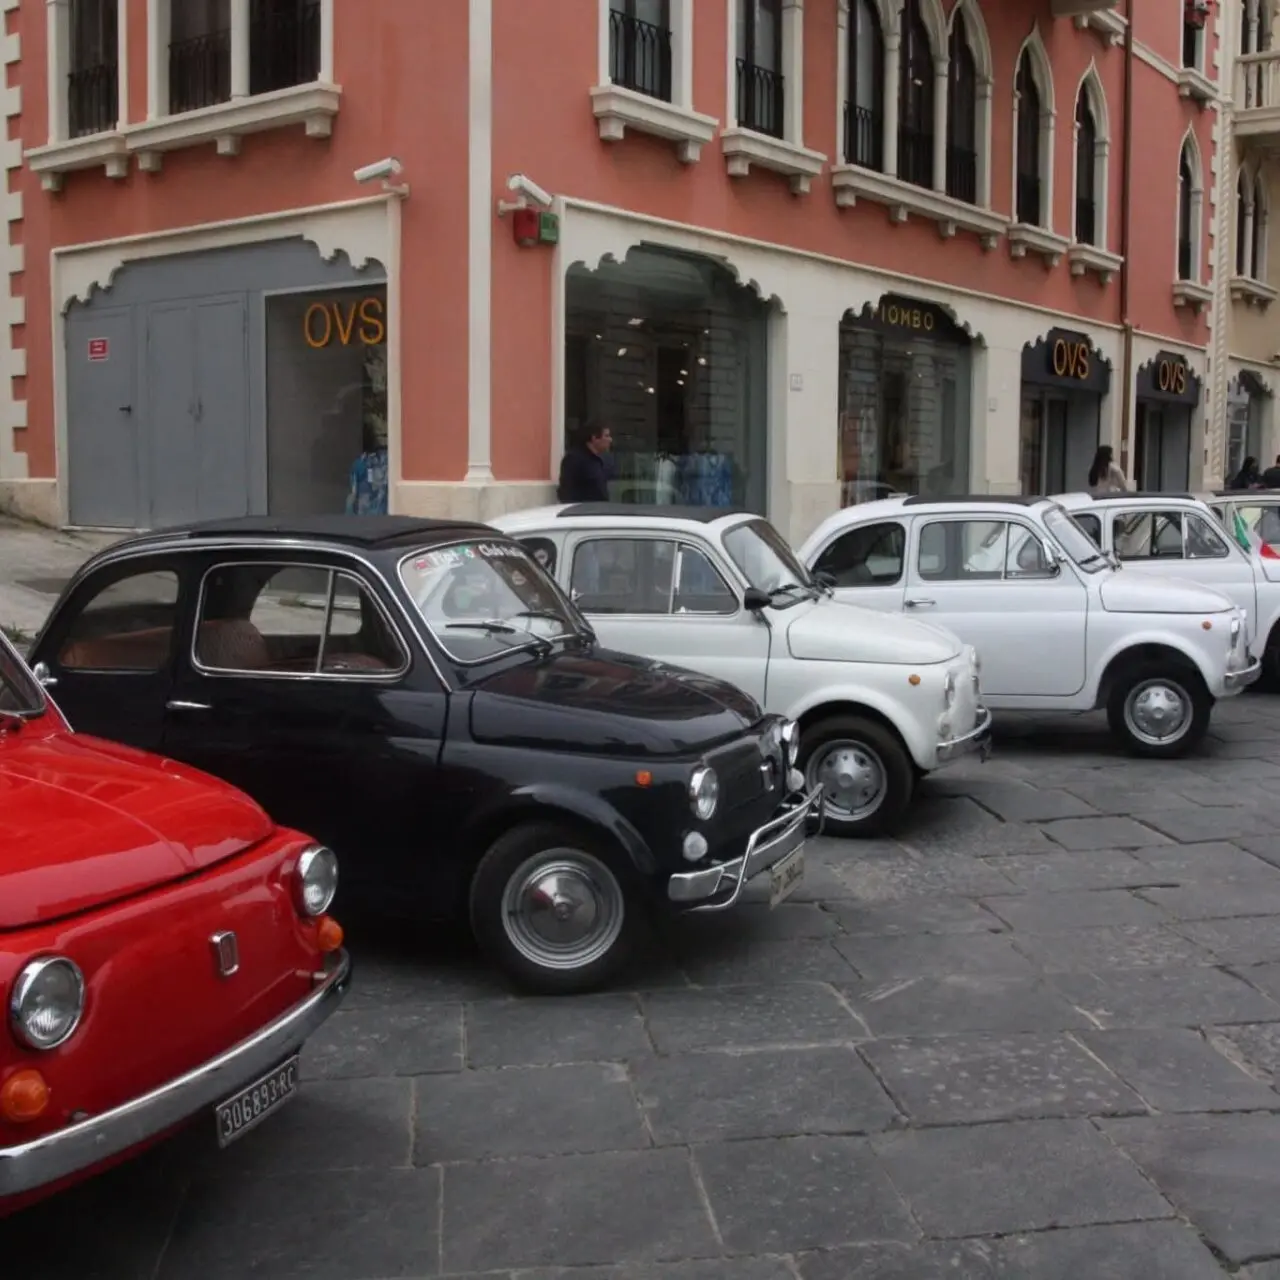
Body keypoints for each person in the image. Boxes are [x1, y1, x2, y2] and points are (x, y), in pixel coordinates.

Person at [556, 422, 613, 503]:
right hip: (583, 512)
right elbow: (566, 491)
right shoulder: (574, 459)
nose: (610, 440)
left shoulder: (598, 460)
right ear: (594, 438)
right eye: (606, 436)